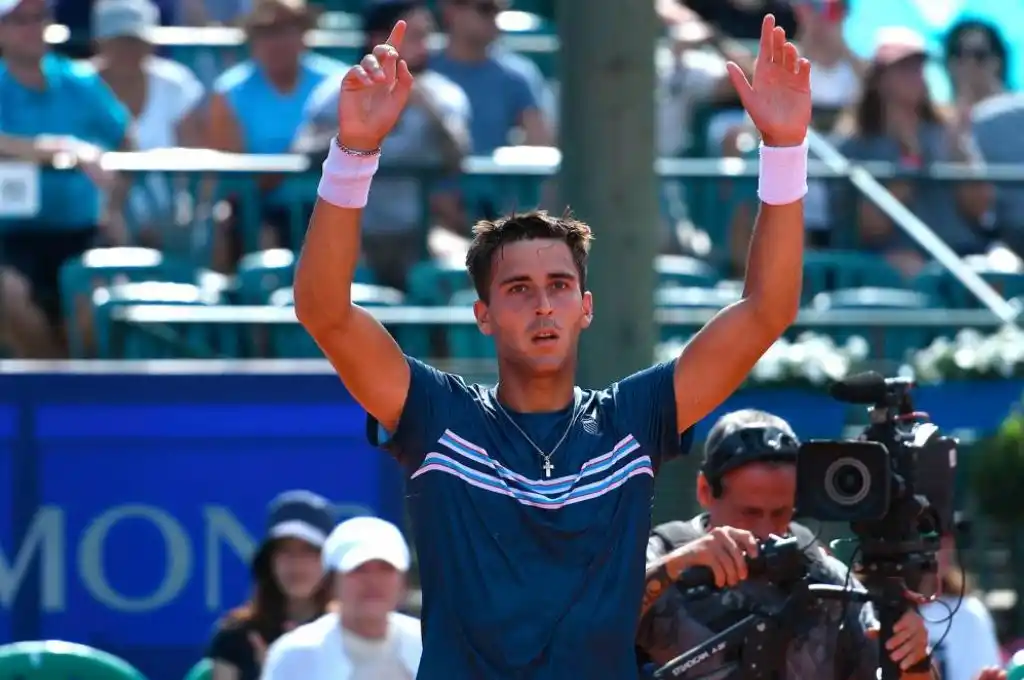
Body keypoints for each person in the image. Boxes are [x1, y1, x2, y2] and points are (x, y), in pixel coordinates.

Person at [295, 14, 810, 679]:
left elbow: (768, 310)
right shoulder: (437, 415)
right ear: (482, 314)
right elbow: (325, 312)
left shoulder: (633, 417)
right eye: (518, 288)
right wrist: (355, 149)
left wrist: (785, 148)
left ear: (585, 308)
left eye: (560, 285)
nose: (542, 304)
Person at [636, 409, 934, 679]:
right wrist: (676, 566)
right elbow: (594, 624)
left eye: (780, 512)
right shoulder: (661, 555)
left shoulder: (824, 576)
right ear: (704, 490)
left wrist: (915, 662)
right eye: (749, 512)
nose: (765, 530)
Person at [293, 0, 471, 290]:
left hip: (421, 233)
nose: (425, 45)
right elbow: (302, 152)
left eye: (427, 35)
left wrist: (425, 106)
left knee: (466, 267)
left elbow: (459, 156)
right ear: (381, 40)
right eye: (415, 36)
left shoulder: (444, 95)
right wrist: (359, 127)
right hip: (348, 230)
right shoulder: (342, 89)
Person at [0, 0, 133, 359]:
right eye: (18, 21)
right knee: (5, 295)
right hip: (8, 240)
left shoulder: (80, 82)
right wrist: (58, 149)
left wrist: (114, 208)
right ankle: (53, 391)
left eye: (38, 18)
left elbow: (124, 140)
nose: (31, 28)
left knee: (98, 296)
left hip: (82, 234)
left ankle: (74, 394)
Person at [834, 27, 993, 278]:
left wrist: (959, 151)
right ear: (879, 79)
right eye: (903, 67)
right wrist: (910, 159)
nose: (915, 75)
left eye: (918, 66)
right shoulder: (854, 145)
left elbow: (979, 208)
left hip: (961, 253)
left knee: (1000, 270)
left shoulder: (946, 132)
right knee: (913, 271)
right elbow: (870, 228)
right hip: (891, 261)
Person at [207, 0, 344, 269]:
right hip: (256, 210)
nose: (276, 41)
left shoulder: (338, 83)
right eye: (265, 31)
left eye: (286, 29)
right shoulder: (230, 91)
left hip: (330, 207)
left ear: (304, 33)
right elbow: (233, 179)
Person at [90, 0, 205, 248]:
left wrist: (182, 217)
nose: (129, 49)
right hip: (93, 220)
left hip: (168, 219)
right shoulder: (79, 85)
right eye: (119, 40)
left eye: (136, 40)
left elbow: (195, 156)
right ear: (100, 41)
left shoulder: (176, 84)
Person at [261, 516, 421, 679]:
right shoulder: (294, 655)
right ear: (331, 582)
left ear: (404, 581)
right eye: (358, 569)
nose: (373, 580)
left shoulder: (430, 646)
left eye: (386, 569)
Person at [208, 491, 335, 680]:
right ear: (269, 561)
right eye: (284, 550)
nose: (296, 564)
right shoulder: (234, 636)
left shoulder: (350, 632)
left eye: (308, 551)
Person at [921, 533, 1002, 680]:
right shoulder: (869, 612)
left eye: (946, 534)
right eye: (929, 535)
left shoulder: (970, 613)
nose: (945, 545)